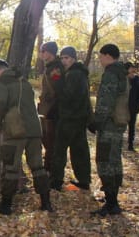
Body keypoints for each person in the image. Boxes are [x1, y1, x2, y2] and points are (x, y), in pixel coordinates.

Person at [0, 58, 53, 215]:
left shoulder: (0, 83)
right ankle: (46, 203)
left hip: (15, 129)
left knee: (11, 167)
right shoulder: (24, 81)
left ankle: (6, 204)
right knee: (38, 167)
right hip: (35, 129)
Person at [89, 44, 127, 216]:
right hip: (119, 123)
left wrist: (96, 121)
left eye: (101, 56)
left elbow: (106, 101)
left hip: (109, 125)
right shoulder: (123, 73)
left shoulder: (111, 74)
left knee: (104, 161)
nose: (99, 59)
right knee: (115, 161)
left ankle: (112, 203)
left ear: (108, 55)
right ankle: (113, 199)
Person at [49, 46, 91, 191]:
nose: (64, 61)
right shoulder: (81, 73)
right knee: (80, 150)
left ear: (73, 59)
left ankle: (56, 181)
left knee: (60, 150)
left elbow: (67, 96)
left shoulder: (74, 74)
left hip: (69, 118)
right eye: (62, 58)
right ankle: (84, 180)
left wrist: (56, 79)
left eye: (66, 58)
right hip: (79, 118)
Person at [38, 41, 64, 173]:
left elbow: (57, 91)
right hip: (47, 109)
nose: (41, 54)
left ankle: (50, 170)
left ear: (50, 52)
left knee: (51, 142)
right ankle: (49, 168)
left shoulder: (55, 68)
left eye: (43, 51)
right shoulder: (50, 66)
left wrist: (50, 109)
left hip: (52, 111)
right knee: (46, 139)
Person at [124, 62, 139, 151]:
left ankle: (130, 144)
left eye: (132, 69)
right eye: (130, 69)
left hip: (133, 108)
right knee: (120, 125)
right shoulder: (123, 80)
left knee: (131, 126)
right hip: (123, 108)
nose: (132, 71)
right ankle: (119, 144)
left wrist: (137, 105)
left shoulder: (138, 81)